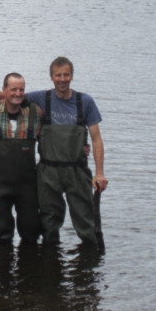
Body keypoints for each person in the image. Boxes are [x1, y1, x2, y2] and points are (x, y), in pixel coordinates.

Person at [25, 57, 108, 245]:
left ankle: (90, 262)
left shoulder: (85, 101)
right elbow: (10, 96)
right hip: (48, 172)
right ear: (51, 77)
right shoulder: (40, 98)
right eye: (58, 75)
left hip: (77, 172)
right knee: (48, 222)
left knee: (85, 219)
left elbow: (96, 139)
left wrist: (99, 173)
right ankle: (50, 264)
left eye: (66, 75)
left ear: (72, 76)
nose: (62, 79)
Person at [0, 73, 42, 244]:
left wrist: (82, 145)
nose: (18, 93)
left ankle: (29, 269)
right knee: (2, 235)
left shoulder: (36, 113)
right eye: (13, 89)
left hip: (28, 186)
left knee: (31, 233)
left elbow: (51, 138)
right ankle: (1, 268)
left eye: (21, 89)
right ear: (4, 90)